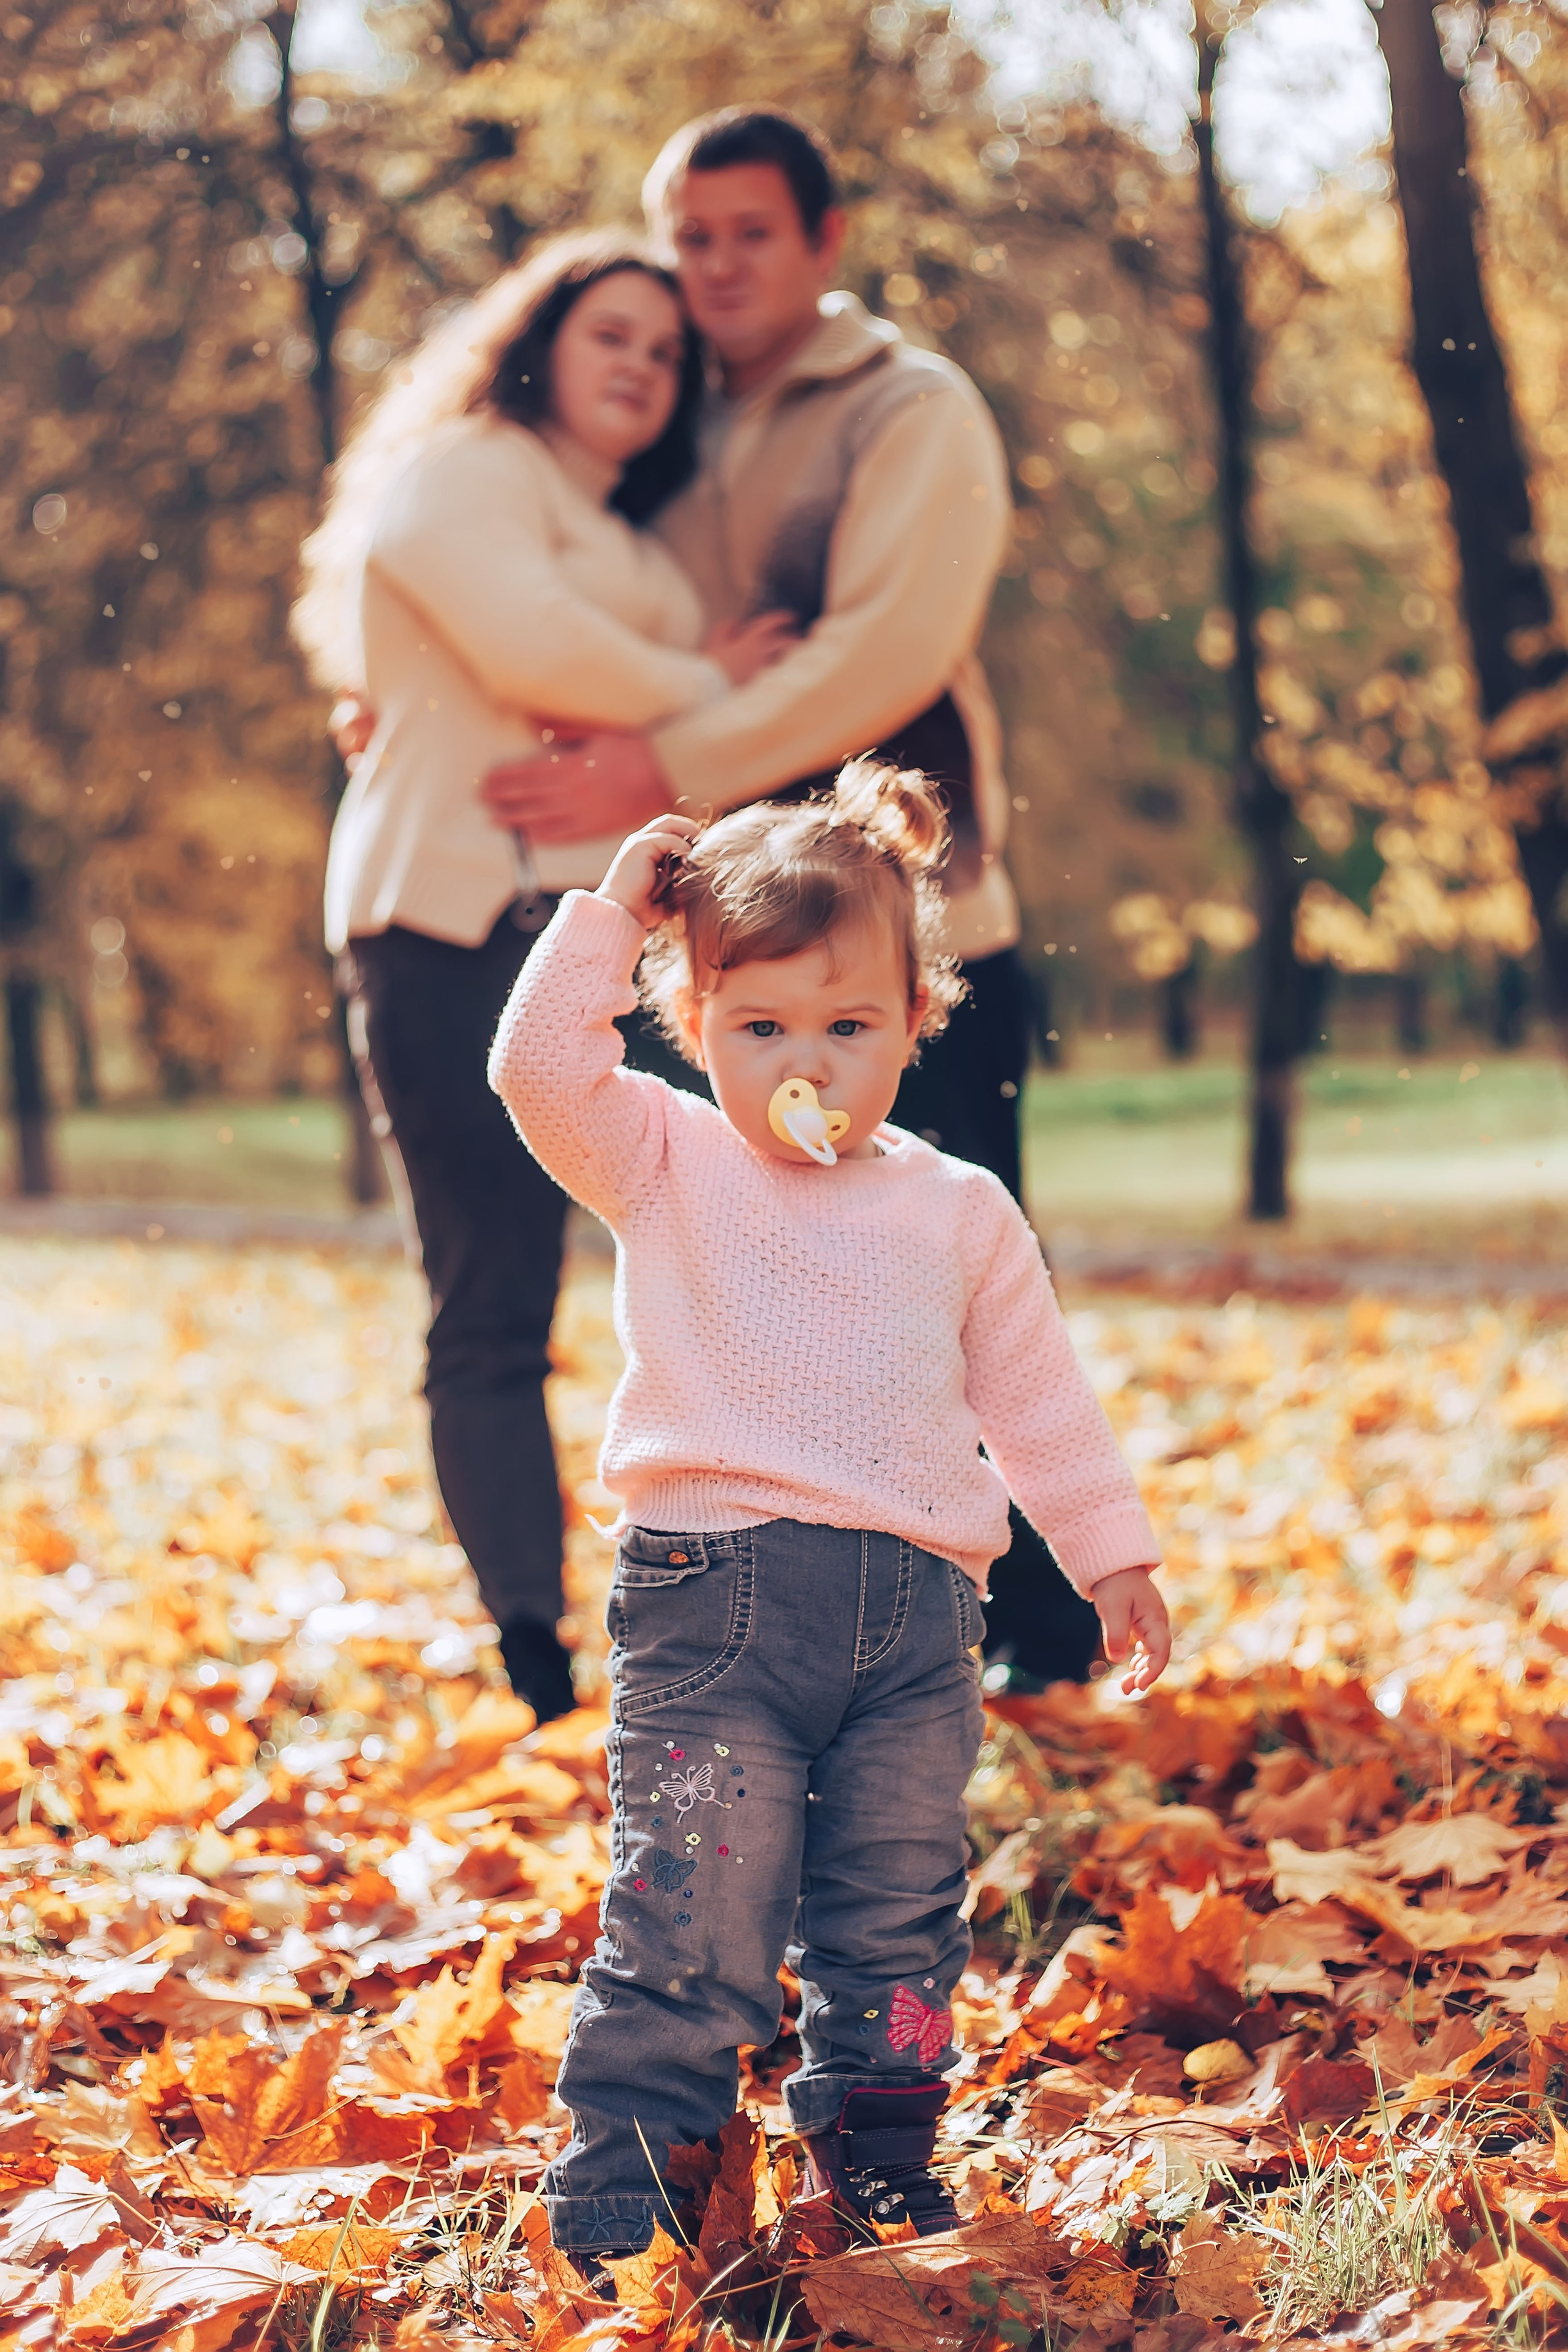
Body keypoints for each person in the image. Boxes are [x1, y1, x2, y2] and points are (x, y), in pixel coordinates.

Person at [488, 764, 1170, 2286]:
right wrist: (612, 913)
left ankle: (877, 2172)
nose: (811, 1064)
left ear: (919, 1015)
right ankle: (627, 2206)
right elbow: (534, 1069)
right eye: (761, 1029)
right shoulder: (663, 1159)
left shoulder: (958, 1210)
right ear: (693, 1023)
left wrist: (1108, 1553)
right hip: (711, 1607)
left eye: (850, 1027)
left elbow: (1036, 1399)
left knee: (896, 1930)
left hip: (918, 1635)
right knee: (688, 1923)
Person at [478, 108, 1103, 1688]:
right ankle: (804, 1623)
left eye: (749, 231)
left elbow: (884, 652)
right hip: (741, 954)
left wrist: (660, 761)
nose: (716, 265)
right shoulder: (658, 436)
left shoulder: (909, 408)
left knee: (949, 1284)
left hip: (914, 928)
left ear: (823, 242)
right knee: (764, 1293)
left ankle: (1023, 1627)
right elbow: (559, 619)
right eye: (689, 237)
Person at [292, 230, 790, 1722]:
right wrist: (718, 688)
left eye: (663, 351)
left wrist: (676, 689)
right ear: (537, 347)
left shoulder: (631, 542)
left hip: (579, 935)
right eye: (610, 335)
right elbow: (535, 644)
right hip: (442, 925)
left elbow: (581, 655)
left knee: (701, 1264)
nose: (640, 363)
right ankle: (538, 1670)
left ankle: (749, 1619)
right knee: (493, 1301)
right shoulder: (461, 469)